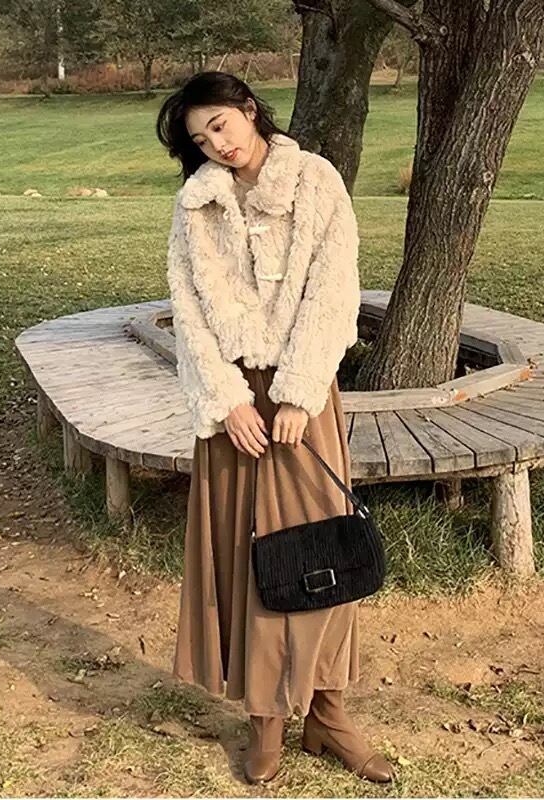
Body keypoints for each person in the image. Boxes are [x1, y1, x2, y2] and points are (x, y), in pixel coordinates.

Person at [155, 72, 394, 786]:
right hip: (231, 407)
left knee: (324, 551)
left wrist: (298, 392)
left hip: (302, 397)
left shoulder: (315, 181)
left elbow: (334, 290)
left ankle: (328, 715)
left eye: (220, 125)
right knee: (247, 559)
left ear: (249, 110)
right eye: (200, 140)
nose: (216, 145)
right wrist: (227, 399)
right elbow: (187, 309)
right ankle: (265, 719)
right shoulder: (196, 205)